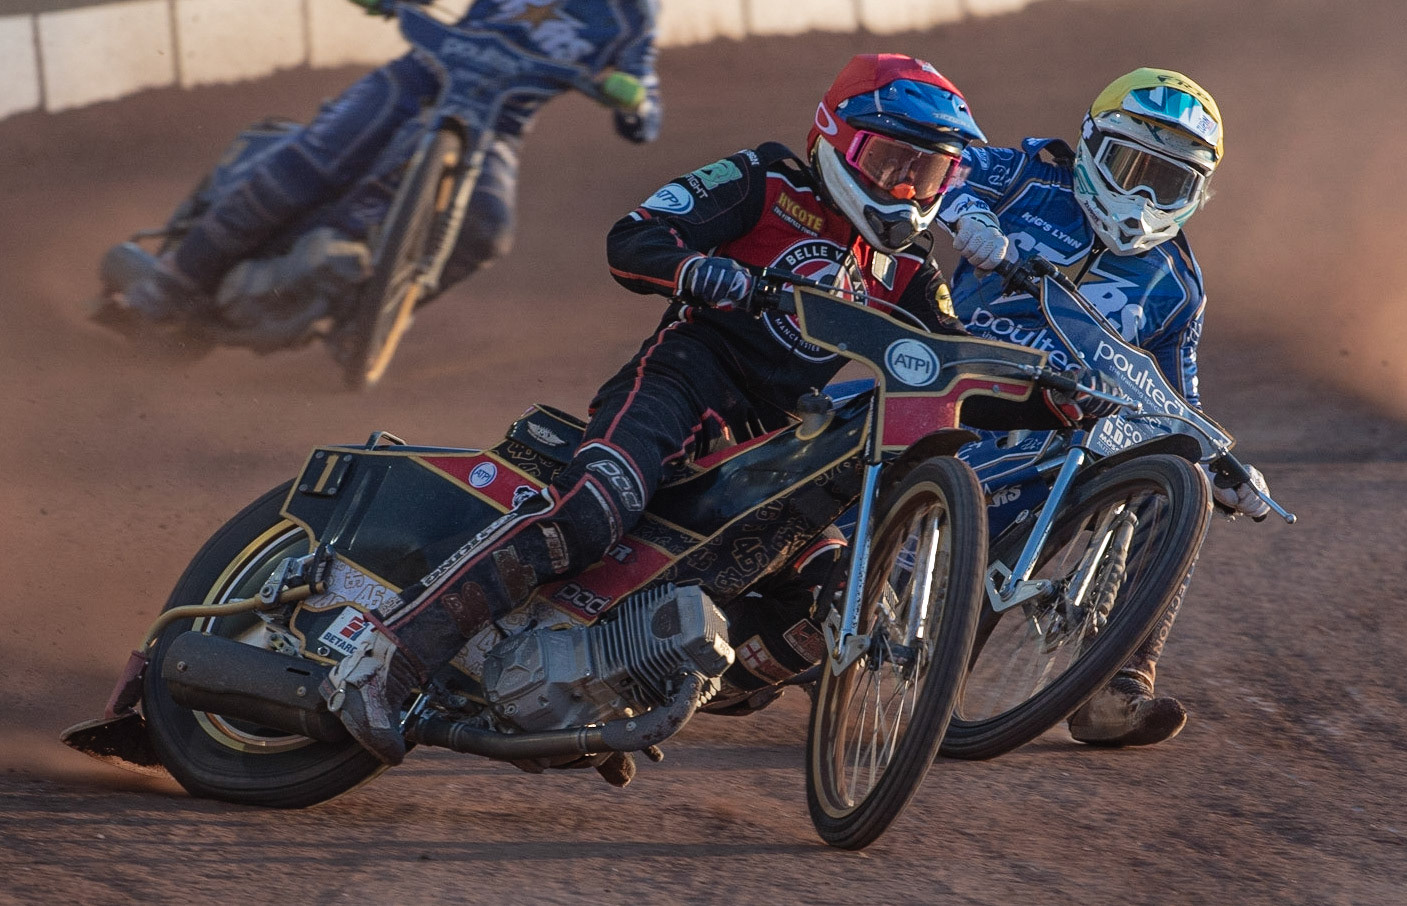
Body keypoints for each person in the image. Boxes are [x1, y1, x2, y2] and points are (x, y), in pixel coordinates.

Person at [317, 52, 1082, 765]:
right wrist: (702, 272)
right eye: (891, 162)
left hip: (777, 447)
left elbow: (953, 368)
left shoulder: (910, 271)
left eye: (928, 173)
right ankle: (387, 661)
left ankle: (630, 685)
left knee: (830, 601)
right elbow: (633, 239)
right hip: (682, 382)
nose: (905, 187)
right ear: (836, 140)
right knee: (593, 509)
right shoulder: (766, 180)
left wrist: (1055, 400)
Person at [936, 67, 1273, 747]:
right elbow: (941, 167)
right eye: (1131, 167)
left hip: (1063, 431)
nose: (1143, 196)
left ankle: (1118, 684)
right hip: (955, 385)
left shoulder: (1177, 285)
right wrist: (968, 213)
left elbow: (1176, 401)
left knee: (1176, 479)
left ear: (1195, 195)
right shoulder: (1029, 175)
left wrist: (1219, 462)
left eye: (1168, 183)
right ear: (1091, 145)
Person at [112, 0, 662, 325]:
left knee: (487, 230)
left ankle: (370, 318)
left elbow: (646, 112)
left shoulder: (633, 16)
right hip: (414, 78)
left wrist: (633, 100)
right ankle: (171, 283)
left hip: (497, 121)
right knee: (314, 161)